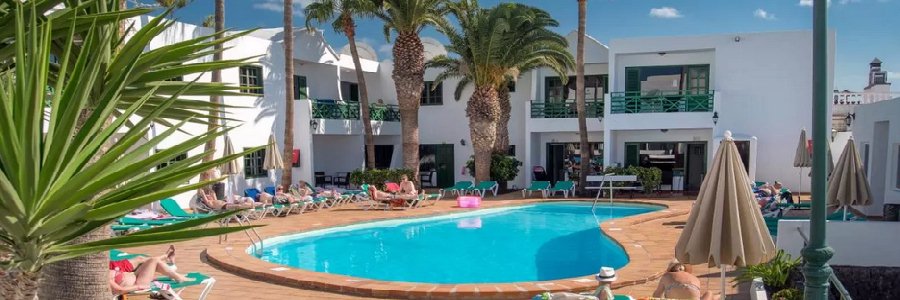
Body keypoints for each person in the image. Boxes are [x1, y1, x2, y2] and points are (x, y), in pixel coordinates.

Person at [108, 246, 191, 295]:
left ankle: (175, 273)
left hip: (135, 275)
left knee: (153, 262)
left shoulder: (103, 272)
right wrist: (138, 287)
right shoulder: (103, 277)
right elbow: (119, 290)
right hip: (138, 282)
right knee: (154, 260)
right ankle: (177, 276)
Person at [652, 260, 718, 300]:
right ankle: (719, 296)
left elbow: (657, 295)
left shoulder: (667, 276)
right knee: (709, 293)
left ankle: (718, 296)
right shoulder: (695, 278)